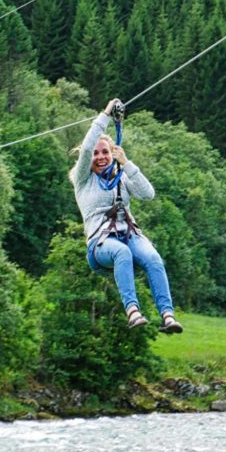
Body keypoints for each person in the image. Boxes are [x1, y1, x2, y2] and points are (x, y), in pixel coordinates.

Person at [69, 98, 183, 333]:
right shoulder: (82, 179)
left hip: (128, 233)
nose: (100, 157)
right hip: (101, 243)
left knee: (153, 259)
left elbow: (148, 194)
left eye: (106, 152)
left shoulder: (121, 177)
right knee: (122, 253)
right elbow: (89, 145)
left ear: (113, 154)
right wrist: (106, 115)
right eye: (96, 154)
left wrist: (127, 163)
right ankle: (133, 311)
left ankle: (168, 315)